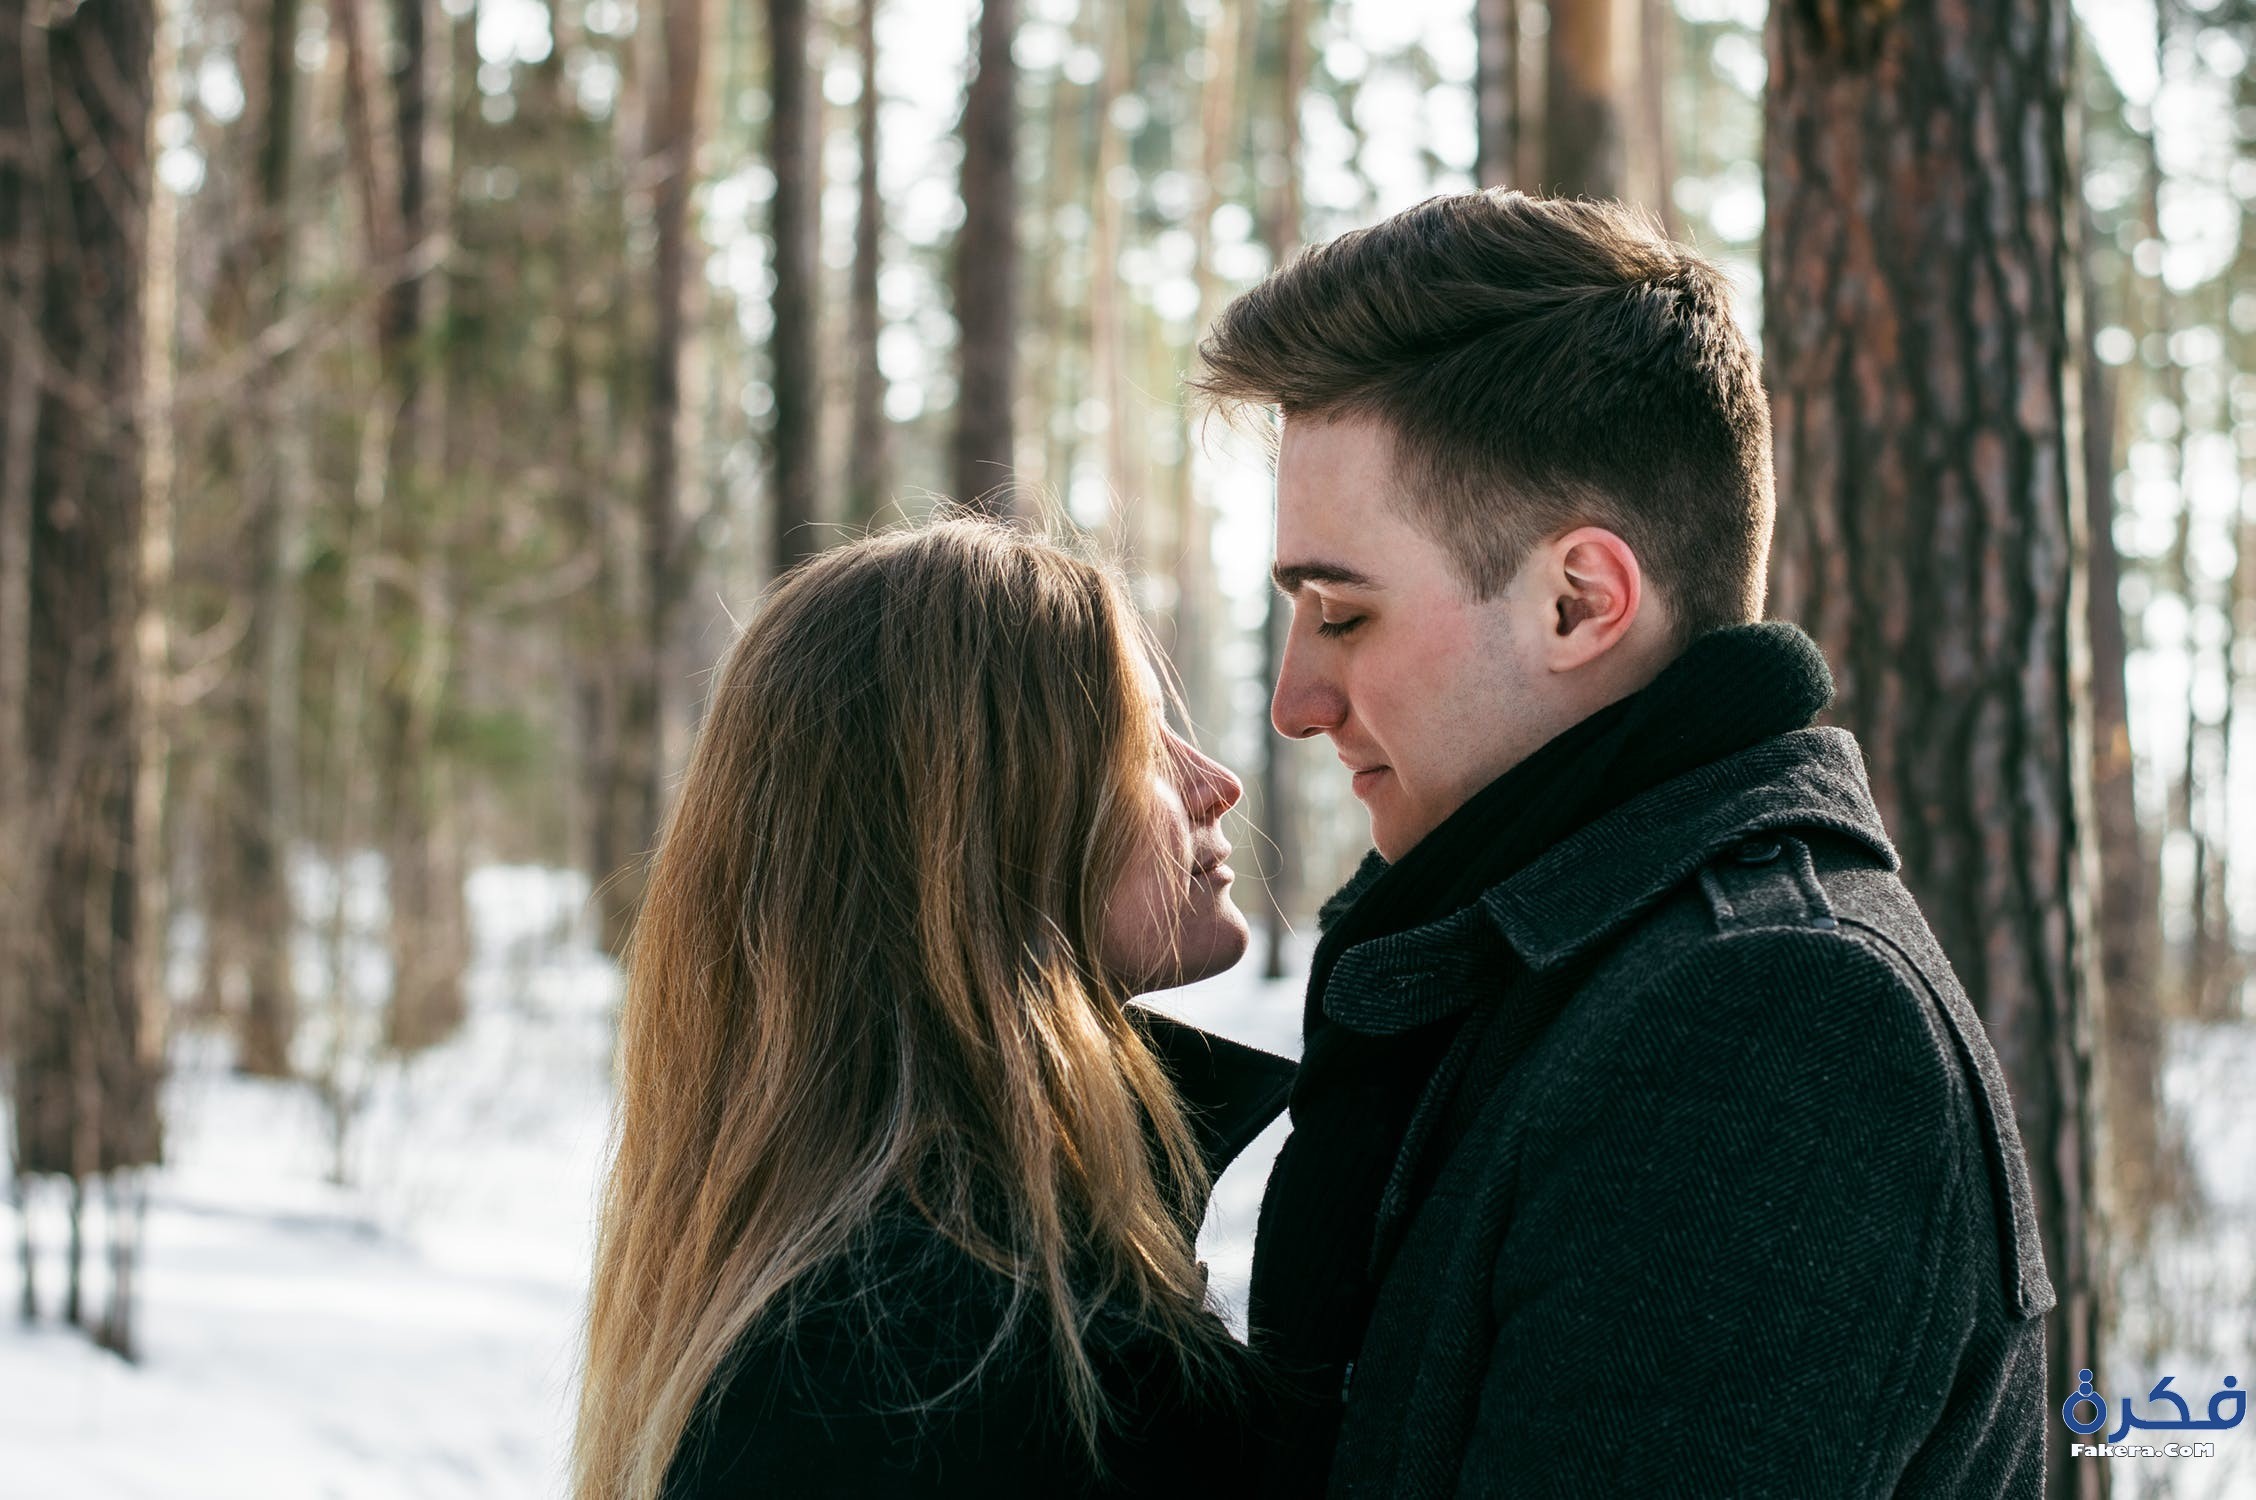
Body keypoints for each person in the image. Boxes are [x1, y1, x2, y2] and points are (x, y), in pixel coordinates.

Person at [1194, 190, 2054, 1497]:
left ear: (1578, 598)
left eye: (1342, 614)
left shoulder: (1769, 1021)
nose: (1295, 704)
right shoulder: (1558, 969)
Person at [570, 520, 1294, 1500]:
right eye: (1140, 741)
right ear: (986, 819)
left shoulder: (929, 1299)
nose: (1215, 784)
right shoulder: (941, 1366)